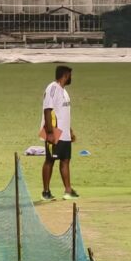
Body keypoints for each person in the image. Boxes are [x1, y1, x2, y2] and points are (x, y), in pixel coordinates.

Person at [41, 65, 78, 200]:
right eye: (70, 75)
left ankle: (68, 190)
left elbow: (63, 113)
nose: (71, 78)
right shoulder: (52, 88)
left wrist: (70, 130)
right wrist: (50, 133)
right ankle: (46, 192)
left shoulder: (64, 92)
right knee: (50, 160)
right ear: (65, 75)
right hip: (54, 131)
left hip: (64, 133)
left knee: (65, 160)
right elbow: (47, 110)